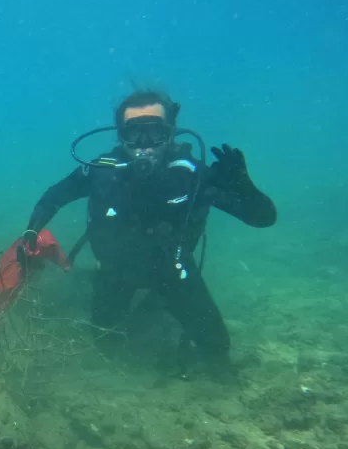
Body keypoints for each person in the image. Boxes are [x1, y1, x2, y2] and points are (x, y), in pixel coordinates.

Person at [21, 90, 276, 368]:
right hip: (114, 273)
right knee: (105, 346)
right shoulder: (102, 171)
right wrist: (32, 231)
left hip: (174, 274)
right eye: (134, 134)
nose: (145, 144)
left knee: (217, 349)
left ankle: (156, 302)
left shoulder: (191, 175)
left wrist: (245, 188)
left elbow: (262, 218)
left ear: (170, 133)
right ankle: (116, 294)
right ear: (120, 135)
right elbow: (54, 197)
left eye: (155, 132)